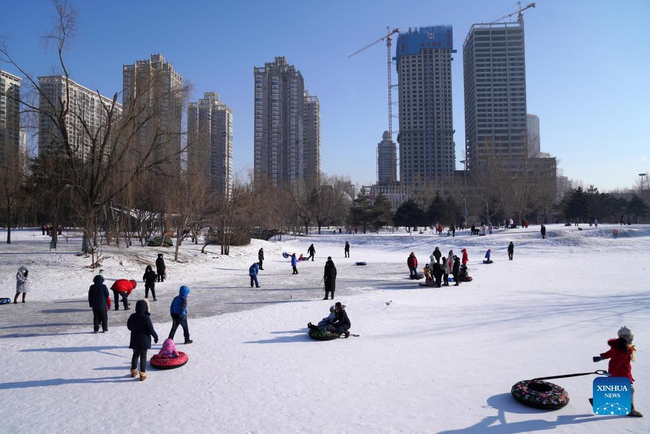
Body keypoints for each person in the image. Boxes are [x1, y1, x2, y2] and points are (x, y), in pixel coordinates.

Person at [593, 326, 642, 417]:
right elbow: (617, 362)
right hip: (620, 373)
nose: (632, 338)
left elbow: (611, 353)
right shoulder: (623, 349)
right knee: (630, 389)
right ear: (626, 337)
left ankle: (601, 401)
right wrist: (612, 372)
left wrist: (601, 357)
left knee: (617, 387)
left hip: (621, 372)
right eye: (630, 336)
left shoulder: (619, 345)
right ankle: (630, 410)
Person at [127, 299, 158, 381]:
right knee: (143, 357)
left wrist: (134, 329)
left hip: (134, 339)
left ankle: (133, 371)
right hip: (144, 340)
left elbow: (129, 326)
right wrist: (155, 336)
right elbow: (150, 329)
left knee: (135, 355)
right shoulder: (146, 317)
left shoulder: (132, 316)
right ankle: (142, 374)